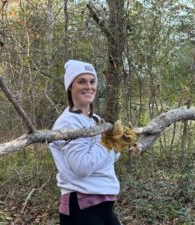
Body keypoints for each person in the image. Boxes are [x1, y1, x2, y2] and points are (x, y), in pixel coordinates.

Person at [49, 59, 135, 225]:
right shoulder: (68, 123)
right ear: (70, 87)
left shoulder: (96, 120)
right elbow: (83, 167)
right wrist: (106, 144)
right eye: (81, 82)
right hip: (82, 205)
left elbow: (105, 161)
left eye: (92, 81)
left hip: (103, 202)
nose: (89, 86)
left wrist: (117, 146)